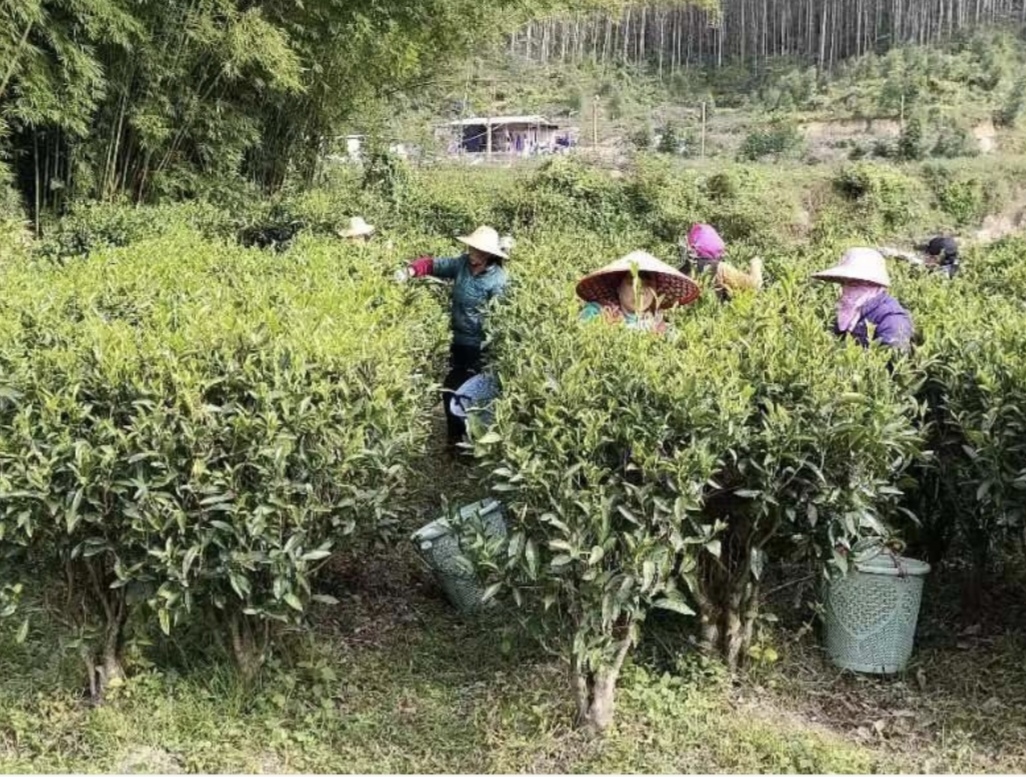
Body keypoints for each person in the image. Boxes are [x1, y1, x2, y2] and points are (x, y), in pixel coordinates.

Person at [395, 226, 509, 447]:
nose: (473, 254)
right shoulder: (461, 265)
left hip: (481, 346)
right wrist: (409, 271)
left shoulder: (499, 280)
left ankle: (470, 441)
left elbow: (501, 316)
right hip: (459, 342)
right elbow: (432, 264)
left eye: (479, 251)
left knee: (465, 392)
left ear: (490, 254)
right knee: (452, 390)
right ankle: (456, 439)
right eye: (471, 248)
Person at [812, 248, 914, 353]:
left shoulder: (892, 320)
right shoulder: (851, 309)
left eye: (854, 284)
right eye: (844, 283)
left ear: (873, 285)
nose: (846, 289)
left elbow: (894, 362)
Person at [577, 251, 700, 334]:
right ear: (618, 287)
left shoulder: (657, 322)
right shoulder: (597, 312)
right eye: (632, 282)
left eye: (648, 284)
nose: (640, 290)